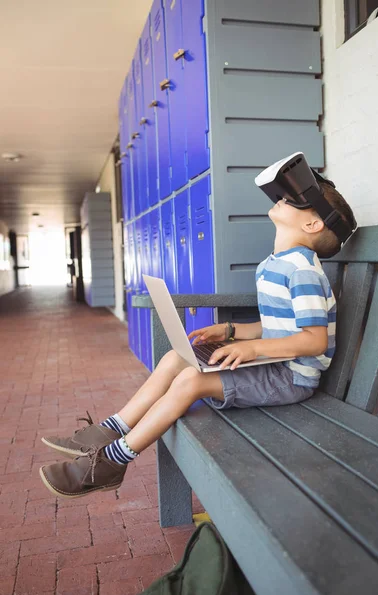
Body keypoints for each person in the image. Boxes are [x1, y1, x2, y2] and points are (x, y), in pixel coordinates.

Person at [39, 155, 356, 498]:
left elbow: (312, 340)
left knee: (191, 380)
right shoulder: (276, 264)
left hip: (291, 379)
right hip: (275, 365)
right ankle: (109, 430)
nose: (281, 199)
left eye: (295, 201)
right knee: (180, 357)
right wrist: (233, 331)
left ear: (312, 226)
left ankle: (112, 462)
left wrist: (252, 349)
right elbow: (278, 327)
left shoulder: (303, 270)